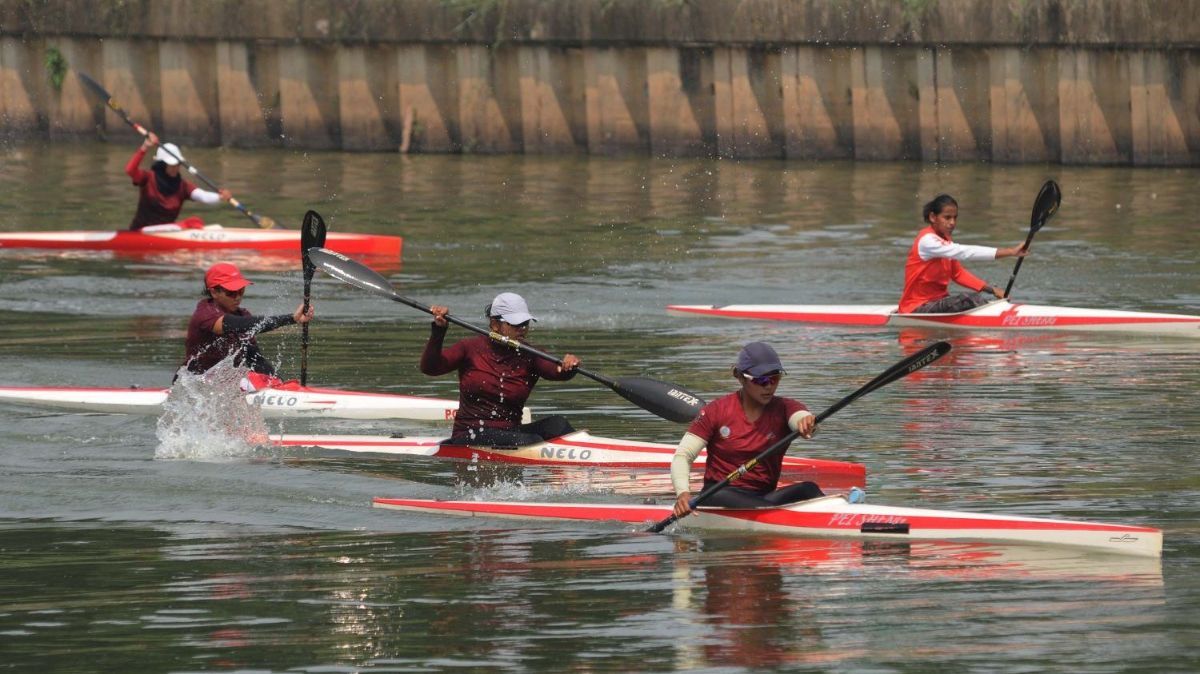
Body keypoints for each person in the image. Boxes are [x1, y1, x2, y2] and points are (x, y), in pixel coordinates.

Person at [671, 342, 828, 519]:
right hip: (719, 496)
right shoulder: (716, 411)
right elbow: (683, 456)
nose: (769, 386)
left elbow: (802, 420)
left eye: (775, 378)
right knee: (718, 494)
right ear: (740, 377)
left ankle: (842, 516)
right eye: (761, 380)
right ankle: (775, 517)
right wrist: (682, 494)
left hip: (764, 498)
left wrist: (807, 423)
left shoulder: (786, 408)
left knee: (808, 488)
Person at [421, 292, 580, 446]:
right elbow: (430, 368)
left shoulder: (530, 354)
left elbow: (557, 372)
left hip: (511, 433)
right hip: (470, 434)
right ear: (495, 325)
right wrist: (439, 330)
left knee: (557, 424)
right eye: (515, 324)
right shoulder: (470, 348)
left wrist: (568, 366)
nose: (522, 329)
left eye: (525, 323)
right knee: (530, 441)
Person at [898, 194, 1029, 314]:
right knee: (968, 299)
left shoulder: (945, 240)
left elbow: (958, 274)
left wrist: (992, 290)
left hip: (937, 303)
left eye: (955, 218)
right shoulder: (927, 241)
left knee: (971, 299)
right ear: (933, 217)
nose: (952, 223)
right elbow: (965, 252)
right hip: (917, 307)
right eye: (947, 218)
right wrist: (1010, 252)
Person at [182, 262, 314, 380]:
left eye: (241, 291)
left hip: (222, 384)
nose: (238, 297)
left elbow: (254, 358)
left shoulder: (242, 314)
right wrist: (291, 318)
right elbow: (238, 324)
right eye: (231, 293)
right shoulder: (206, 314)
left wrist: (278, 383)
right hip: (194, 382)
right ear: (214, 292)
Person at [126, 132, 233, 230]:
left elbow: (202, 195)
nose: (175, 168)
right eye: (172, 165)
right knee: (191, 223)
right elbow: (130, 170)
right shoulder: (147, 178)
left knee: (195, 221)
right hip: (141, 232)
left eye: (177, 164)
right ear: (162, 165)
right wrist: (145, 147)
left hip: (169, 233)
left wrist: (220, 197)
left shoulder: (183, 186)